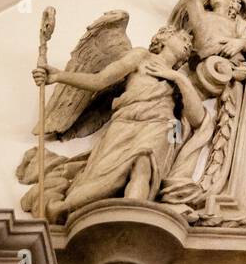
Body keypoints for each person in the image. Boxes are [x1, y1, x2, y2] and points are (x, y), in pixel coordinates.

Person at [32, 25, 204, 220]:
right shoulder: (141, 56)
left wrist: (177, 78)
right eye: (182, 38)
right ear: (164, 38)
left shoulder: (179, 80)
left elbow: (197, 118)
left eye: (190, 44)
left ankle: (132, 218)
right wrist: (58, 76)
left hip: (159, 125)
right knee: (105, 178)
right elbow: (99, 80)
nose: (188, 43)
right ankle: (63, 208)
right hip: (125, 122)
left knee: (143, 163)